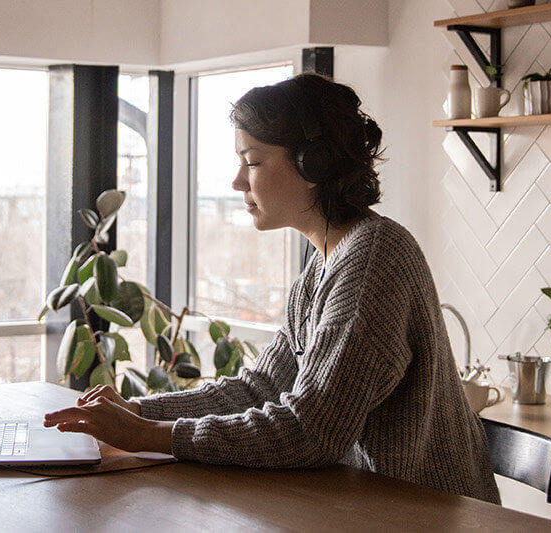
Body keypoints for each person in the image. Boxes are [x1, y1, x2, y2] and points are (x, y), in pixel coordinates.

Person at [44, 72, 497, 502]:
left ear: (313, 164)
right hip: (367, 505)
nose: (238, 181)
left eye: (252, 162)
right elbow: (260, 388)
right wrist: (136, 413)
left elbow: (310, 431)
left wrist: (148, 435)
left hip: (432, 515)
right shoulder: (323, 268)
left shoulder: (374, 261)